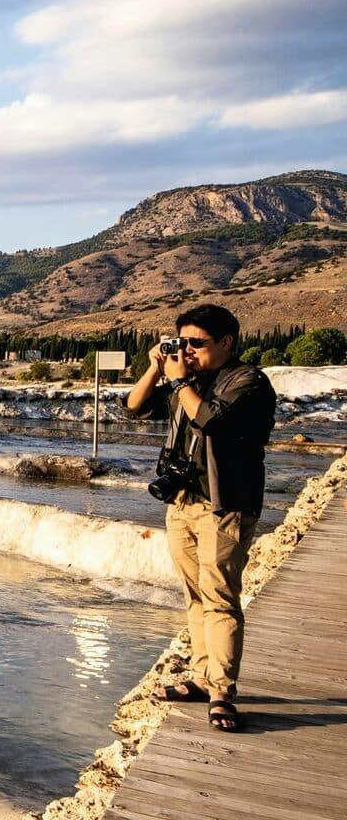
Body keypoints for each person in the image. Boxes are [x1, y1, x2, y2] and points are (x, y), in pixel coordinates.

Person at [123, 303, 276, 733]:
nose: (187, 351)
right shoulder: (186, 383)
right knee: (194, 596)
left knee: (220, 597)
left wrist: (180, 381)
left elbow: (212, 422)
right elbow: (133, 408)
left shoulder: (248, 382)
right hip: (183, 502)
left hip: (224, 505)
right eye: (181, 343)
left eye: (196, 343)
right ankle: (202, 676)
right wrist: (156, 369)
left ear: (226, 342)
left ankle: (223, 692)